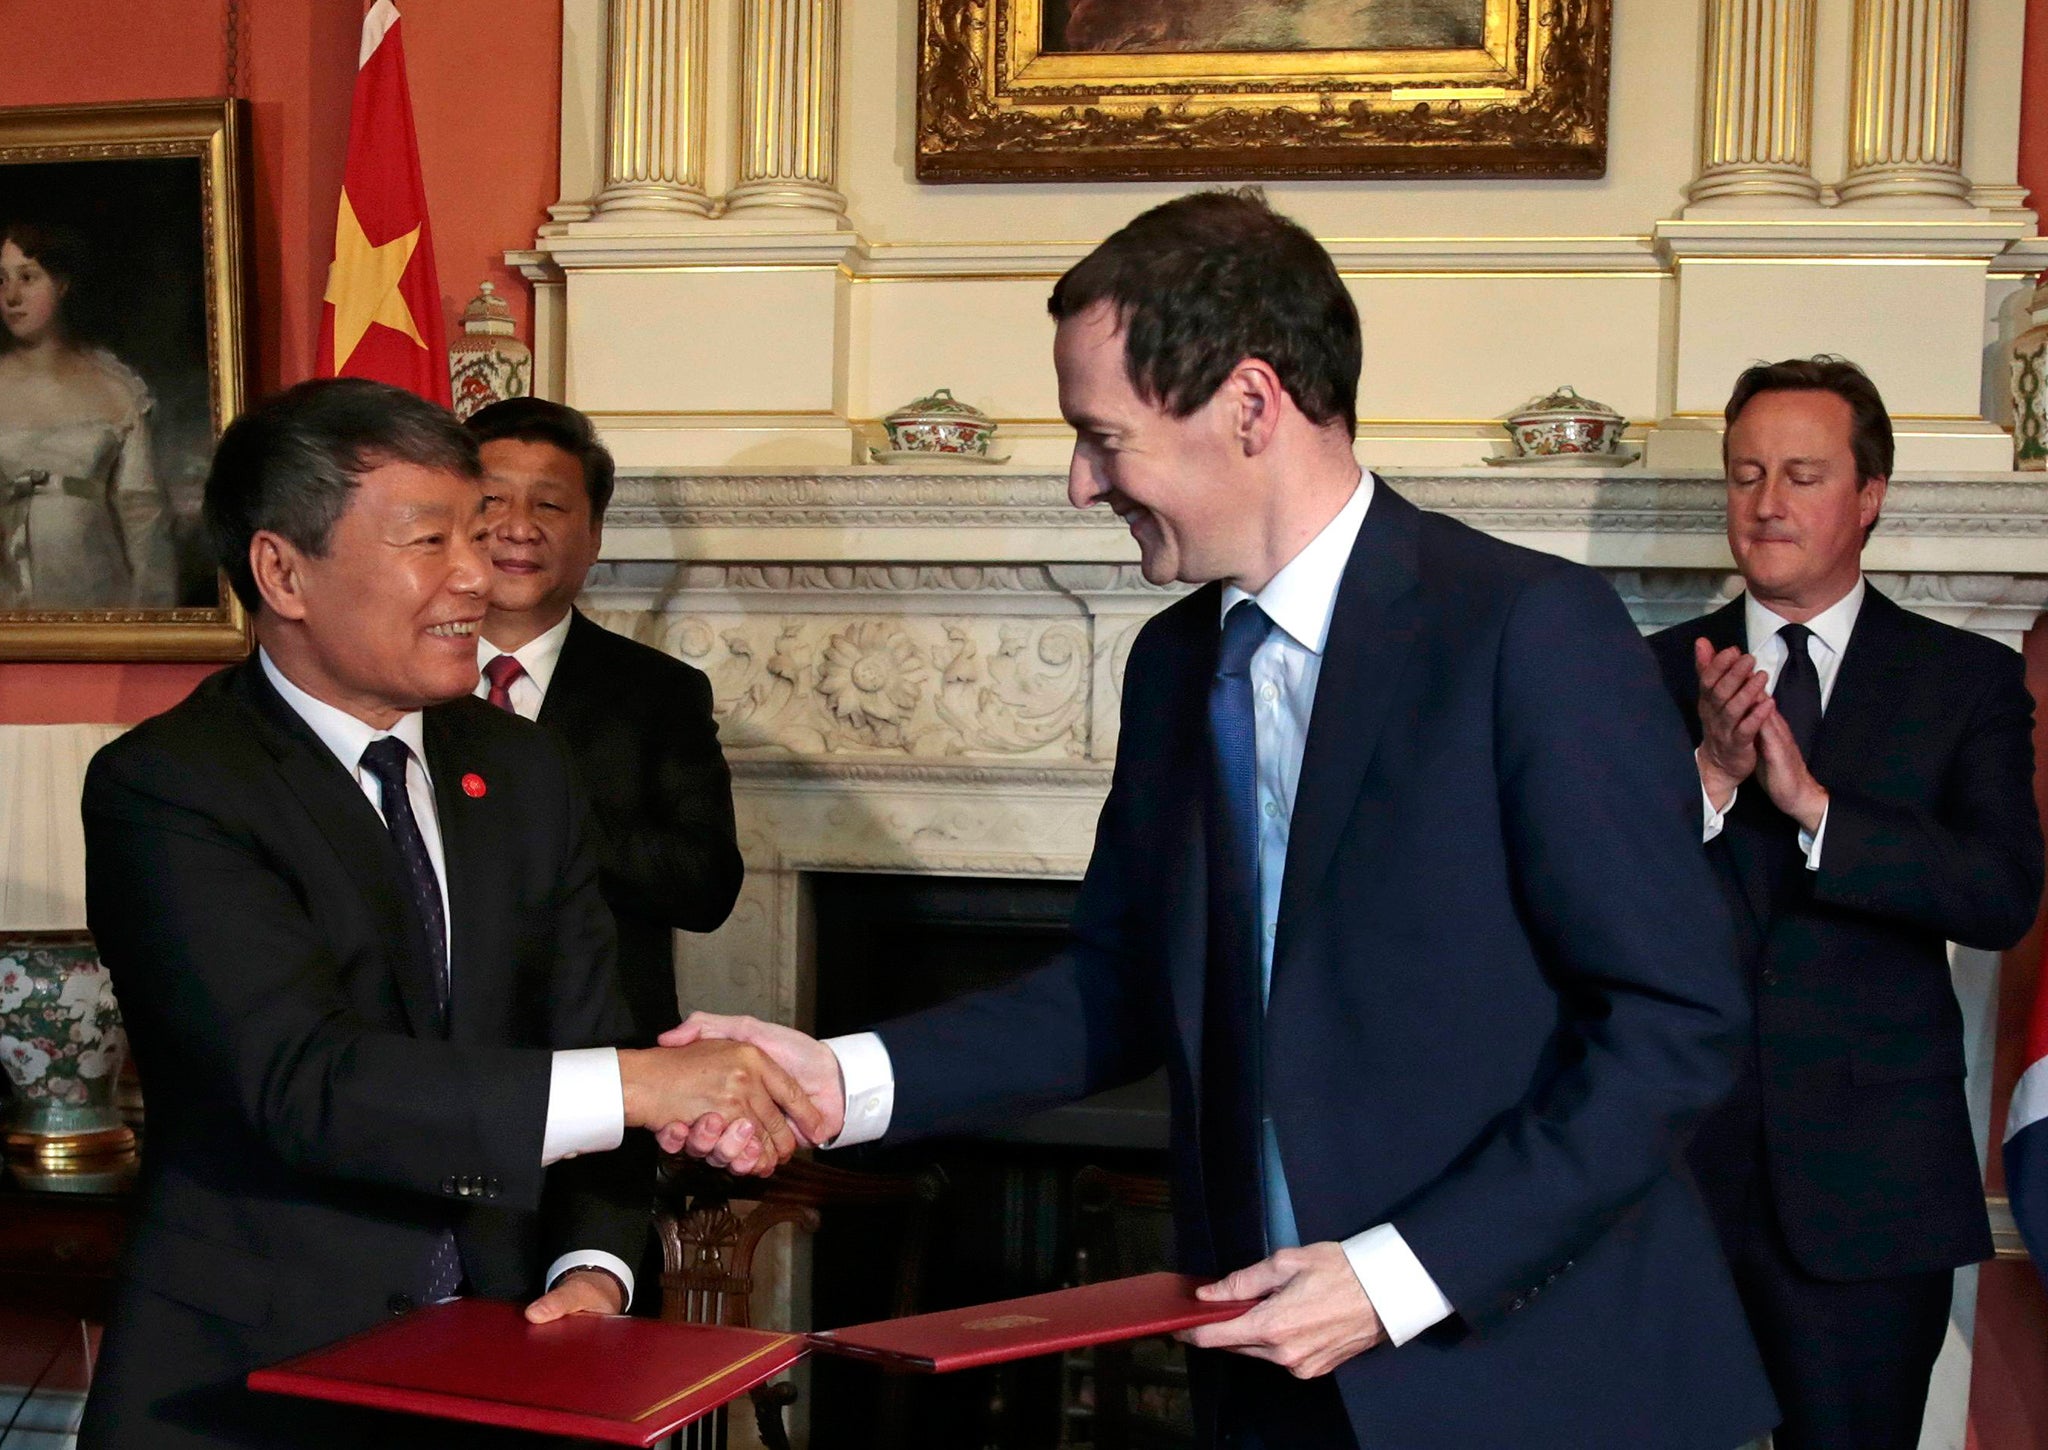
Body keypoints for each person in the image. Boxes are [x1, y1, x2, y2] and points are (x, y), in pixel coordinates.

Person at [666, 190, 1777, 1449]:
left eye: (1102, 435)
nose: (1083, 482)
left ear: (1249, 405)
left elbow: (1672, 1025)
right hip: (1266, 1370)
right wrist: (837, 1080)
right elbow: (1121, 983)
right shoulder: (1174, 664)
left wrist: (1395, 1277)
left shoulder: (1526, 632)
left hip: (1532, 1378)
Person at [77, 378, 824, 1450]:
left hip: (511, 1369)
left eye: (475, 536)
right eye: (430, 541)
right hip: (252, 1388)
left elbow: (587, 1038)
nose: (477, 576)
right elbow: (304, 1084)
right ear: (283, 571)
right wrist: (642, 1084)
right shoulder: (172, 787)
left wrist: (595, 1267)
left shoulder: (522, 769)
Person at [1647, 357, 2044, 1450]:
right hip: (1671, 1190)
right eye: (1744, 474)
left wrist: (1817, 807)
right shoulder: (1637, 675)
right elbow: (1587, 898)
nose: (1765, 502)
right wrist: (1711, 782)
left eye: (1801, 474)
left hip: (1872, 1203)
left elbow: (2000, 894)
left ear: (1867, 495)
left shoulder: (1962, 680)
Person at [465, 397, 742, 1048]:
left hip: (604, 1061)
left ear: (593, 536)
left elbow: (705, 888)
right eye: (492, 501)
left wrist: (531, 806)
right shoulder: (391, 680)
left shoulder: (659, 694)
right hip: (431, 1072)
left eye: (550, 505)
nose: (518, 527)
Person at [0, 220, 173, 607]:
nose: (11, 296)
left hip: (92, 585)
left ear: (62, 285)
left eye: (28, 278)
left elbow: (143, 514)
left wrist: (152, 616)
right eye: (1, 280)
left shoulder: (115, 388)